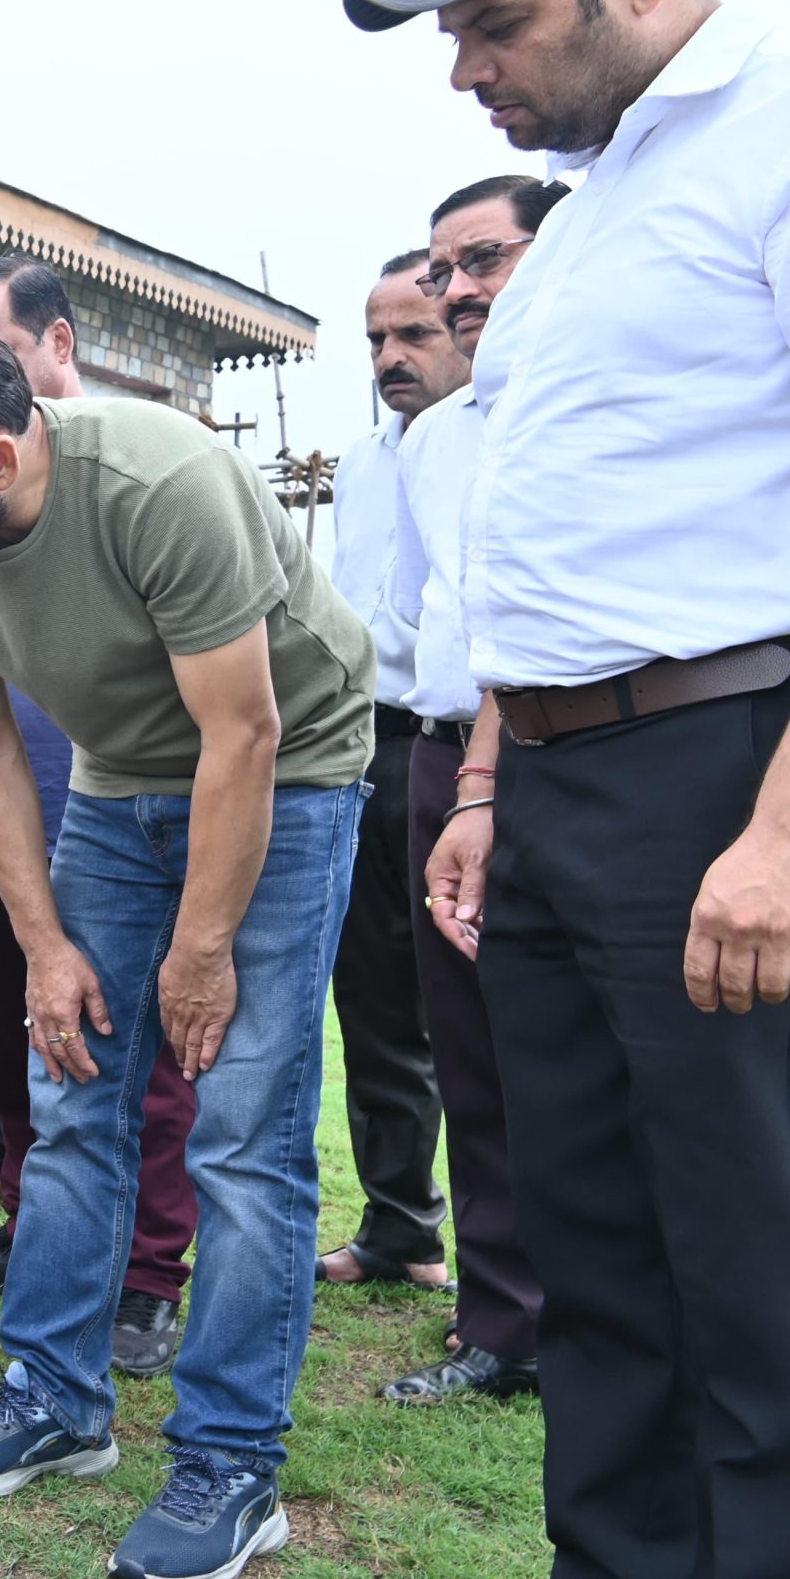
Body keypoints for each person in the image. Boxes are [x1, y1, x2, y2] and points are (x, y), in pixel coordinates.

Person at [351, 0, 790, 1579]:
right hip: (556, 793)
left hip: (725, 771)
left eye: (498, 24)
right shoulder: (593, 209)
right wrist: (492, 786)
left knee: (764, 1275)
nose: (468, 68)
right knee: (598, 1263)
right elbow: (556, 544)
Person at [0, 321, 371, 1579]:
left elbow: (244, 731)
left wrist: (201, 950)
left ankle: (232, 1461)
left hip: (289, 768)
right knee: (72, 1093)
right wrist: (47, 942)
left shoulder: (158, 485)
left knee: (241, 1126)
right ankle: (53, 1396)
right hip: (118, 782)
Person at [0, 257, 190, 1383]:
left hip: (122, 801)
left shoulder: (134, 481)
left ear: (56, 346)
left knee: (136, 1040)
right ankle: (35, 1220)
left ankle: (152, 1268)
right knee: (19, 1025)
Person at [370, 176, 566, 1406]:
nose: (457, 294)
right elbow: (424, 611)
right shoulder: (436, 438)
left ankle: (616, 1311)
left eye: (480, 261)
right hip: (445, 754)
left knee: (589, 1048)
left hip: (577, 743)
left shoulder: (595, 396)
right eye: (446, 274)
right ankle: (504, 1323)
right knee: (472, 1045)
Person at [314, 253, 467, 1295]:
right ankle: (399, 1223)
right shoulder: (363, 463)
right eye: (374, 338)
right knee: (369, 993)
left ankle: (521, 1260)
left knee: (471, 1002)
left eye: (411, 334)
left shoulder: (497, 442)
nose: (389, 357)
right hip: (359, 743)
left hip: (463, 740)